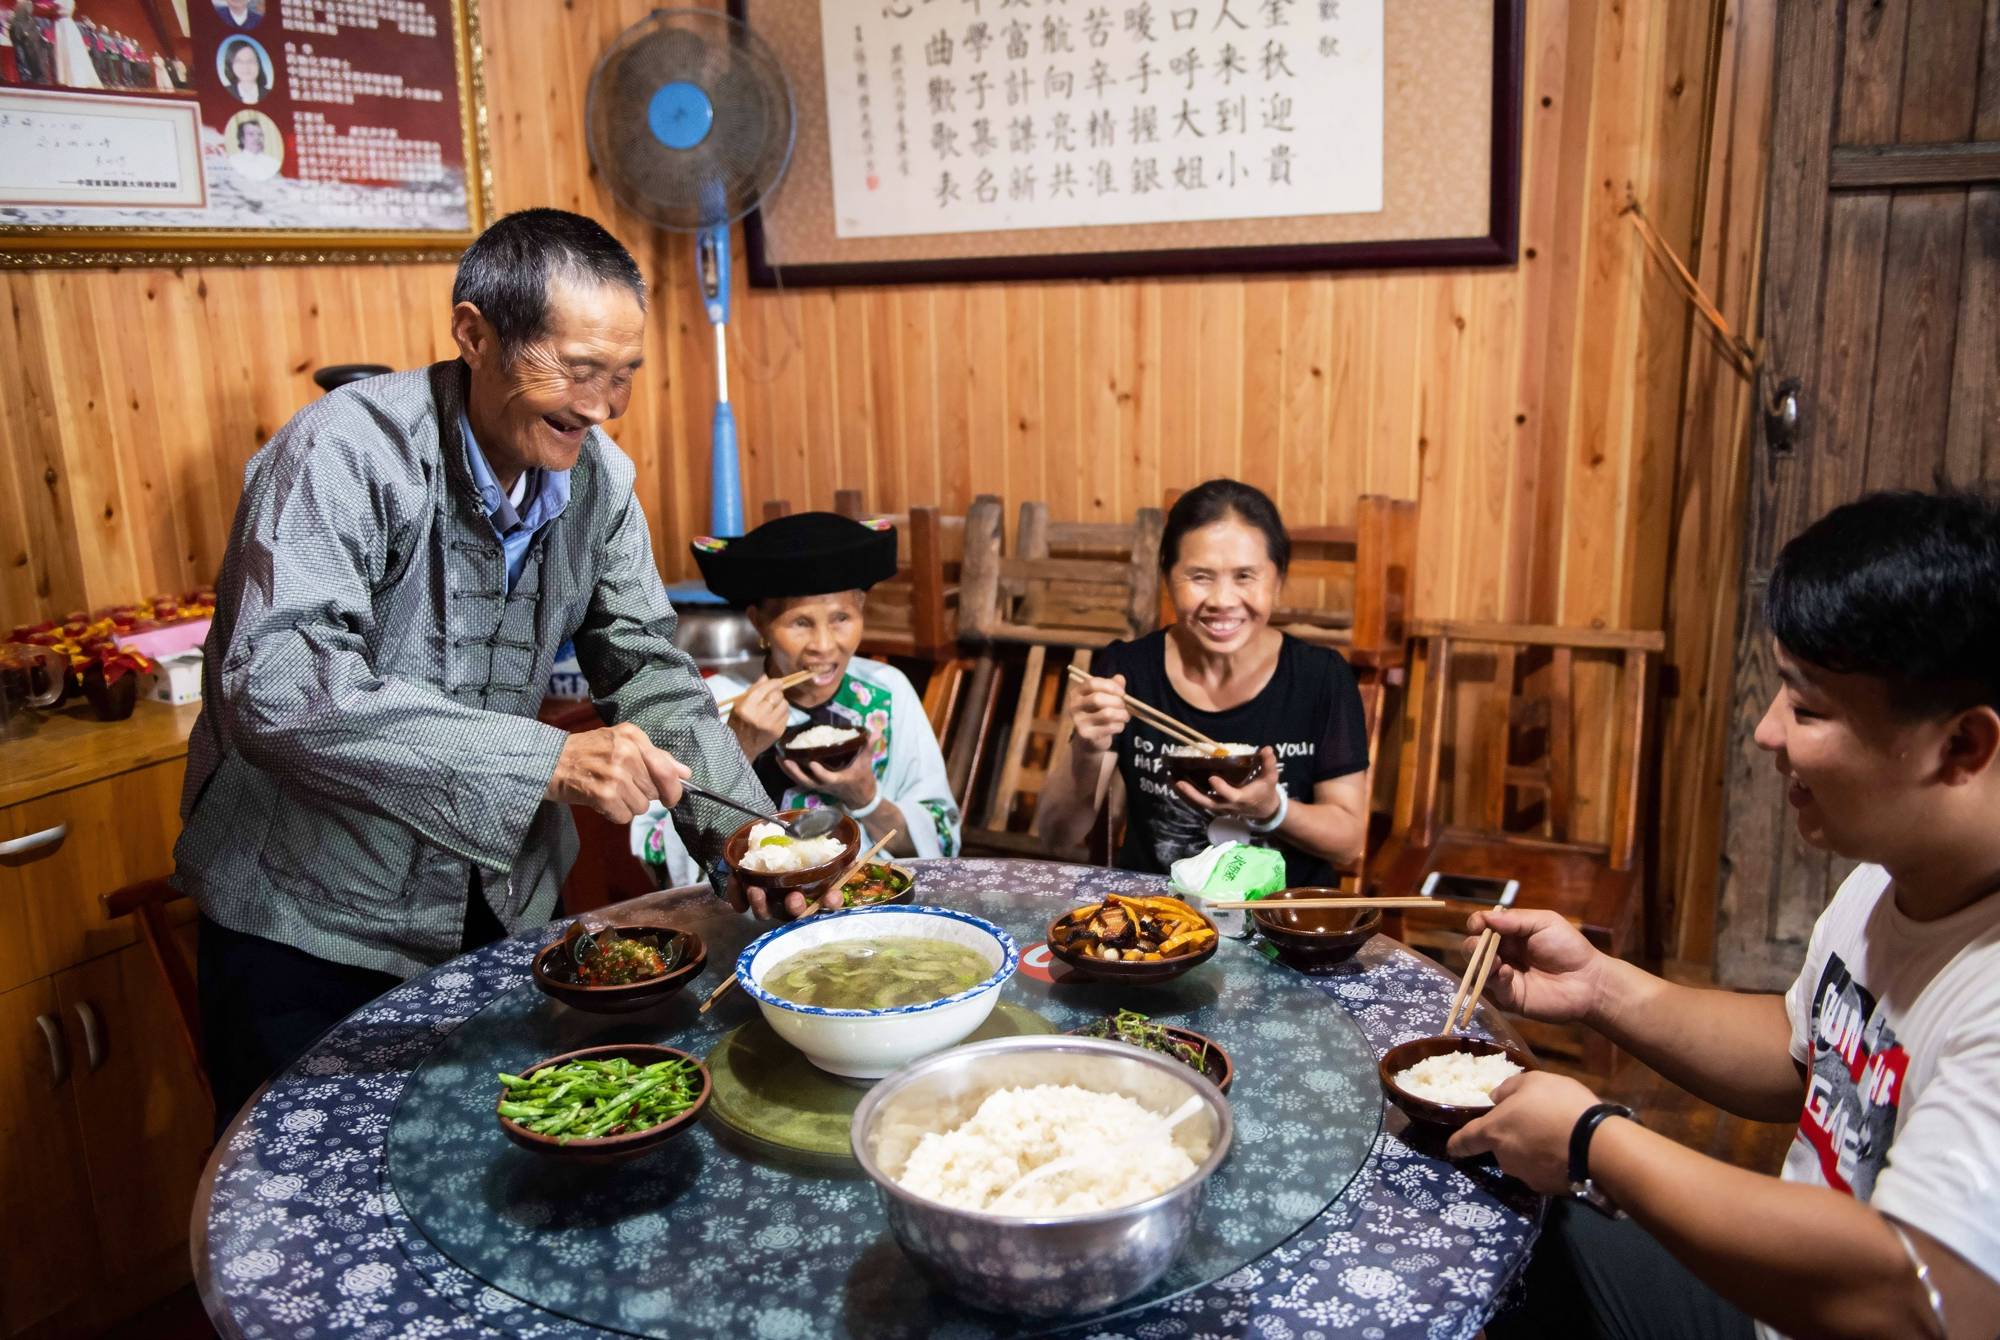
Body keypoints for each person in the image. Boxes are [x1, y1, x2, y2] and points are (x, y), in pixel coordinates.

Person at [175, 209, 771, 1130]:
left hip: (494, 908)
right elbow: (280, 684)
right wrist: (546, 762)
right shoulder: (343, 453)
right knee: (314, 1221)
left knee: (498, 1165)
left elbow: (651, 670)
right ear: (475, 334)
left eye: (622, 377)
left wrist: (756, 848)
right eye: (578, 371)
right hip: (308, 924)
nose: (602, 407)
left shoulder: (599, 481)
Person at [1462, 490, 2000, 1340]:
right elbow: (1805, 1058)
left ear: (1964, 745)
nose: (1765, 730)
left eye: (1808, 706)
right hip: (1771, 1311)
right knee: (1486, 1234)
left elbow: (1914, 1299)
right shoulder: (1887, 876)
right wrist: (1599, 987)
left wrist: (1592, 1141)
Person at [1042, 478, 1370, 884]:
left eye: (1245, 576)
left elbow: (1347, 841)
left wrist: (1272, 809)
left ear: (1278, 579)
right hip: (1157, 925)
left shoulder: (1321, 678)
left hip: (1284, 927)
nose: (1222, 600)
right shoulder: (1128, 670)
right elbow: (1057, 833)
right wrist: (1087, 753)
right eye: (1200, 576)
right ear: (1168, 578)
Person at [630, 512, 962, 898]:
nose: (823, 645)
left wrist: (866, 798)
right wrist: (736, 747)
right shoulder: (710, 703)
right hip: (751, 909)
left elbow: (941, 840)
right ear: (760, 624)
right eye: (800, 623)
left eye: (841, 618)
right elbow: (653, 849)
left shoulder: (887, 693)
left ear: (862, 612)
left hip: (870, 899)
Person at [220, 35, 263, 103]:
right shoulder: (222, 94)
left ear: (259, 64)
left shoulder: (271, 94)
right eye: (239, 61)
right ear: (230, 65)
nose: (245, 66)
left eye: (250, 60)